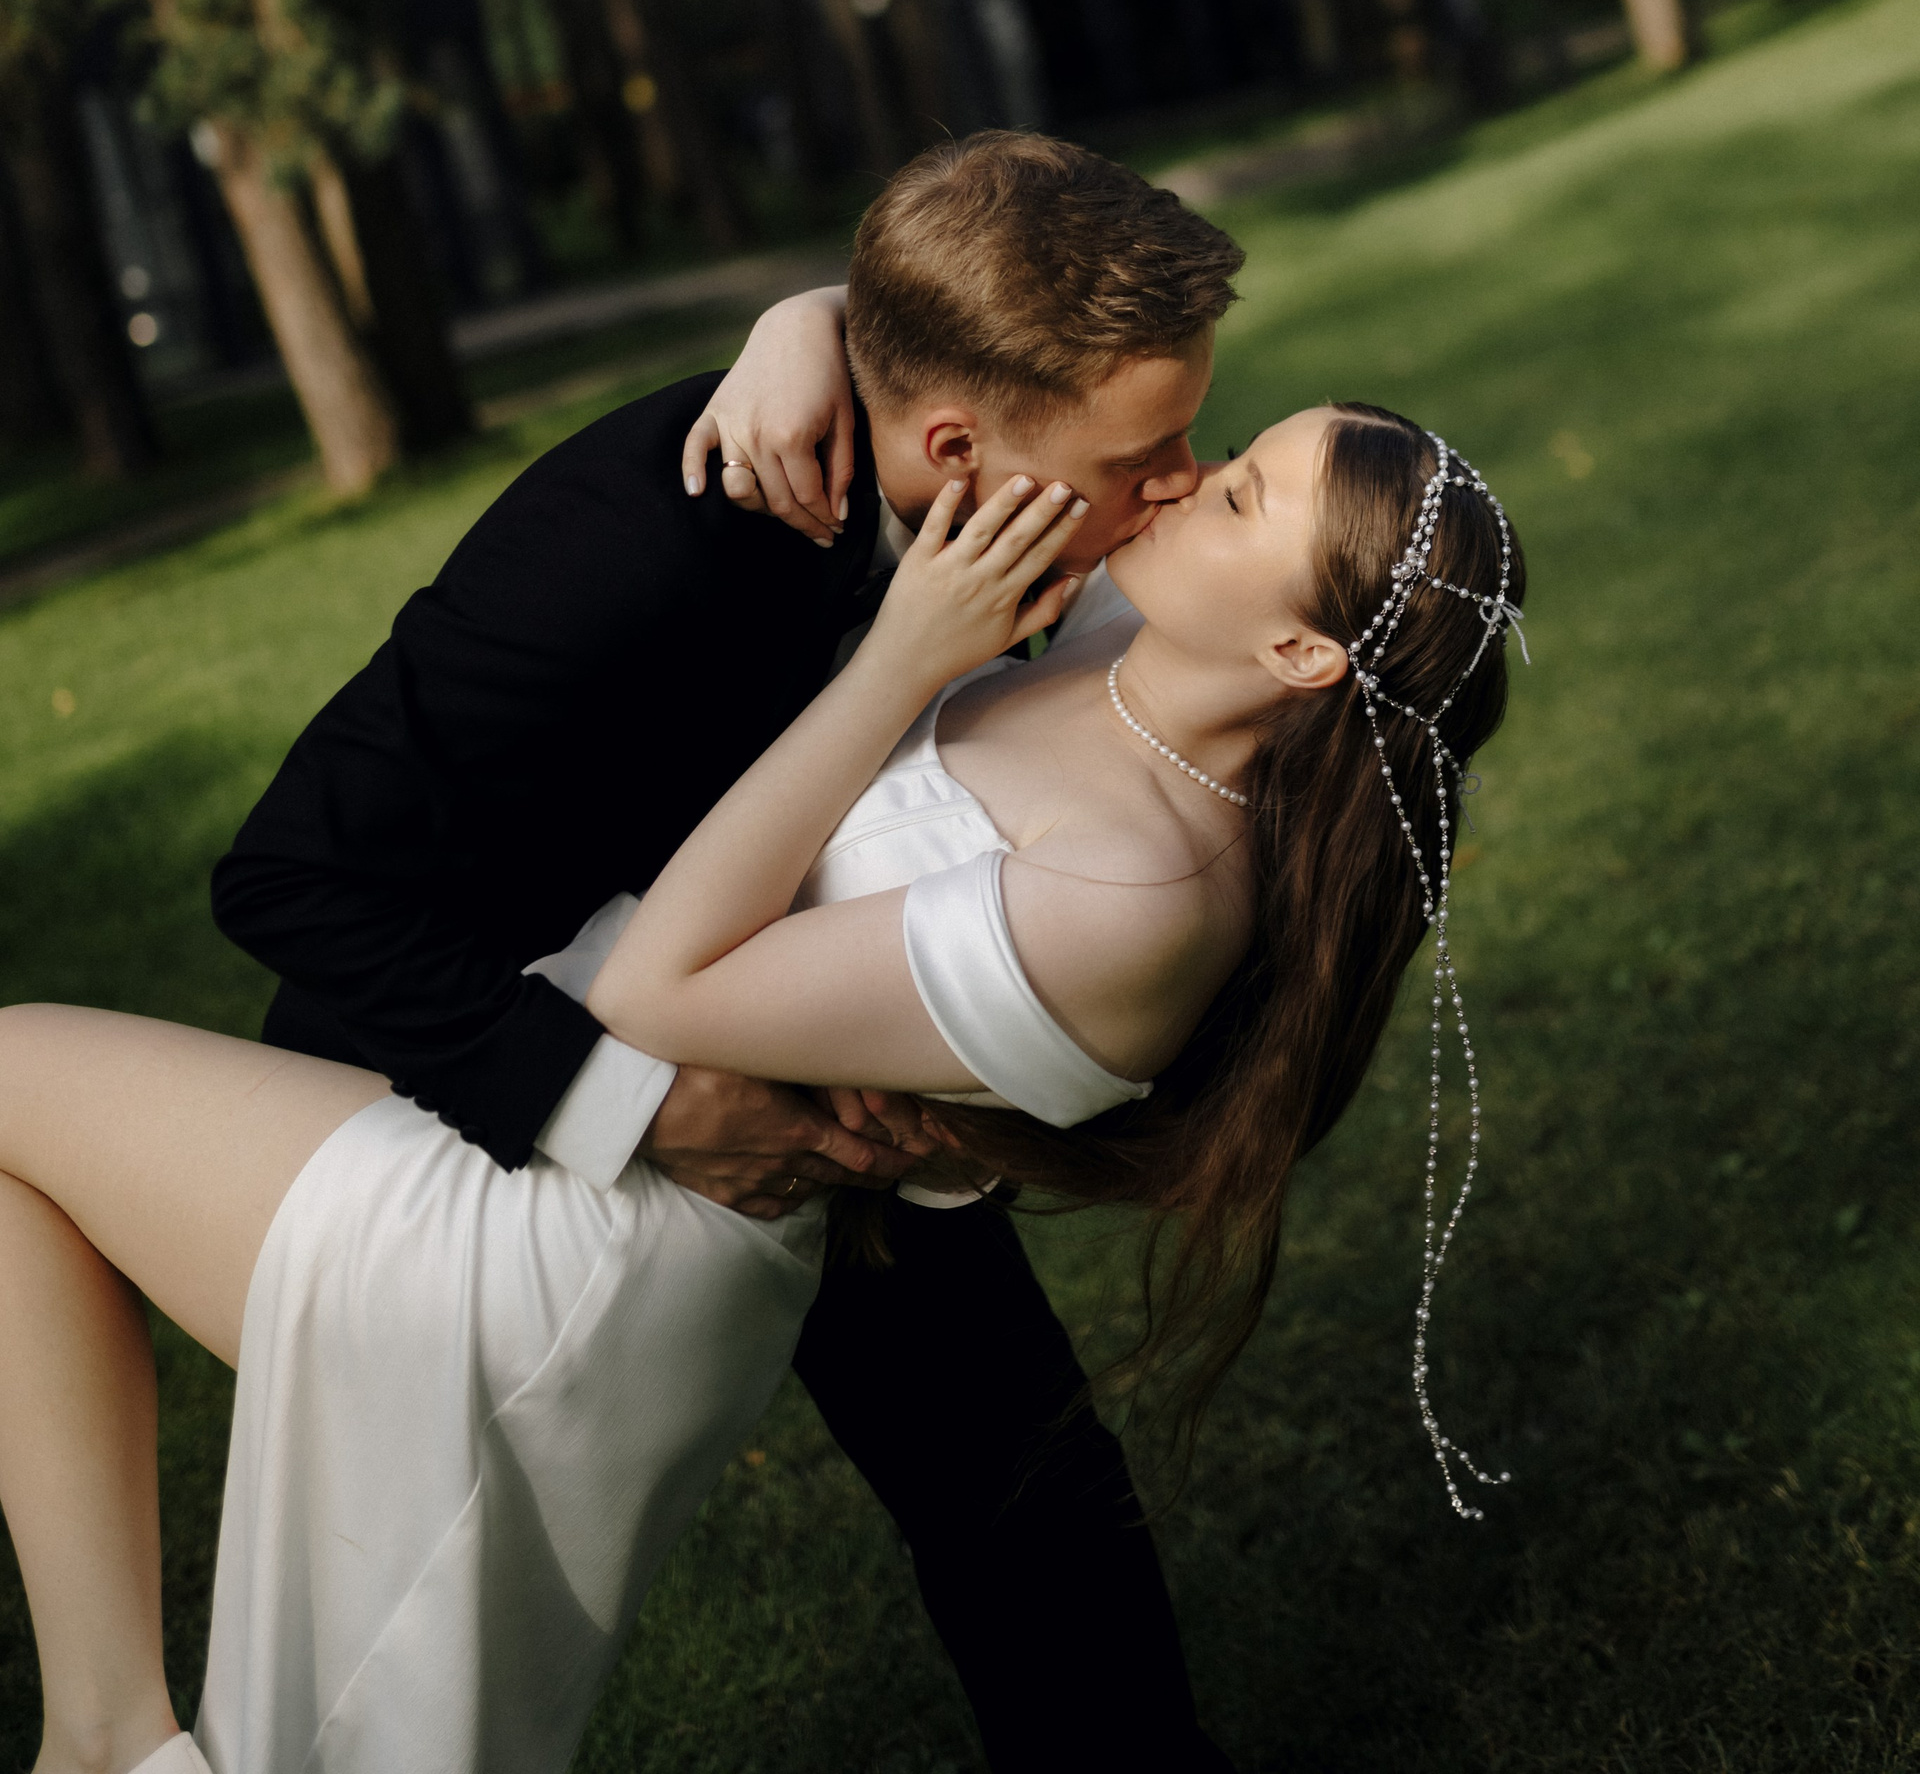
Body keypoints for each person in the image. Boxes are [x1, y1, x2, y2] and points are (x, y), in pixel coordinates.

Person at [0, 140, 1526, 1774]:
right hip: (522, 1073)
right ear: (955, 444)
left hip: (763, 1109)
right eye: (1157, 456)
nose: (1177, 478)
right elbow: (296, 876)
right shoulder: (667, 533)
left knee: (1019, 1482)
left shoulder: (1101, 633)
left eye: (1208, 465)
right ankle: (104, 1733)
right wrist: (816, 321)